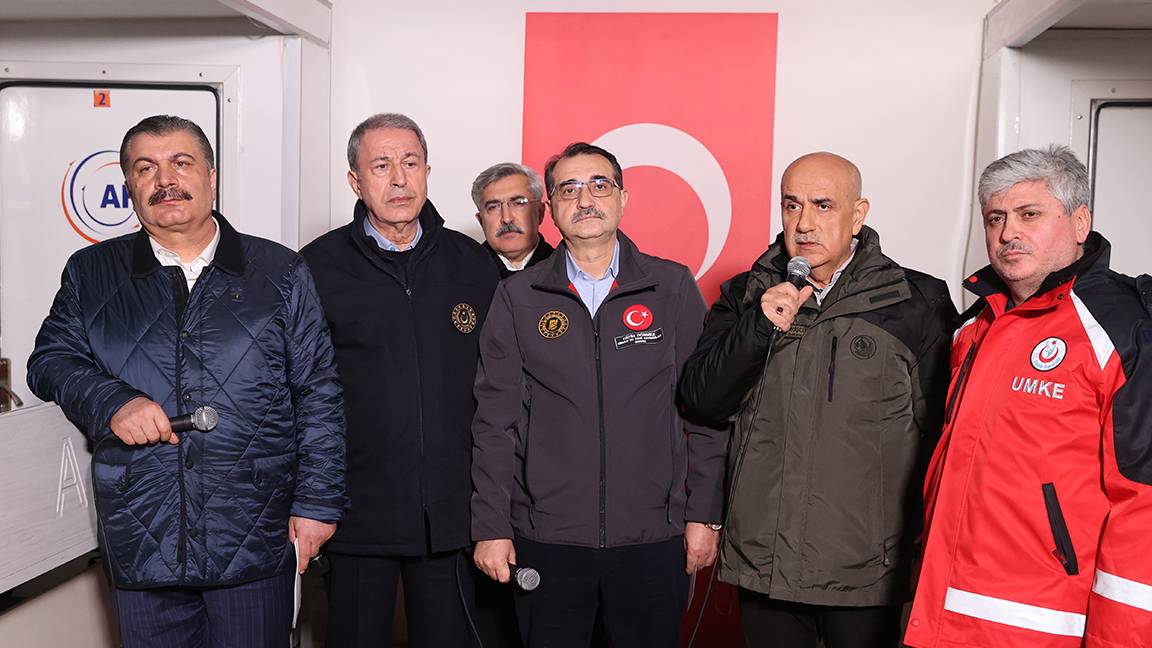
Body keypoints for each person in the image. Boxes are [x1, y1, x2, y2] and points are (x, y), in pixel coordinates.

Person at [27, 115, 345, 648]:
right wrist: (112, 402)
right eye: (145, 168)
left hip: (253, 532)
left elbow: (319, 395)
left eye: (181, 163)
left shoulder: (280, 272)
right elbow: (50, 360)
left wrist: (317, 505)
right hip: (142, 531)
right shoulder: (91, 272)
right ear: (129, 185)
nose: (164, 180)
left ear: (211, 177)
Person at [680, 152, 956, 647]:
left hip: (868, 572)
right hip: (764, 564)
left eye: (823, 205)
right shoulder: (745, 294)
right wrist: (757, 327)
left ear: (858, 214)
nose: (804, 223)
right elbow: (702, 400)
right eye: (792, 205)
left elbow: (944, 435)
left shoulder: (915, 302)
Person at [470, 142, 727, 648]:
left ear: (623, 199)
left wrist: (705, 514)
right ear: (551, 208)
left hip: (654, 537)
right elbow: (494, 422)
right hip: (546, 538)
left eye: (599, 185)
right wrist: (490, 527)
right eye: (569, 189)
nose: (585, 199)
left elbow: (705, 412)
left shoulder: (671, 287)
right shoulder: (517, 297)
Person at [905, 145, 1152, 648]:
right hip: (942, 617)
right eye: (995, 218)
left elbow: (1143, 505)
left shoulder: (1122, 330)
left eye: (1029, 214)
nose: (1007, 233)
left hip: (1045, 626)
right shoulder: (971, 327)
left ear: (1080, 222)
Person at [300, 113, 500, 647]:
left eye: (410, 163)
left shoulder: (472, 265)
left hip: (452, 518)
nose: (398, 179)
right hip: (356, 515)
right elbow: (296, 393)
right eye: (381, 165)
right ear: (355, 181)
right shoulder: (316, 268)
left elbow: (501, 392)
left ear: (427, 172)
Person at [472, 162, 554, 279]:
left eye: (518, 203)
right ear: (481, 221)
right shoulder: (461, 272)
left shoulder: (566, 269)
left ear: (540, 213)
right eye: (493, 207)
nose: (507, 219)